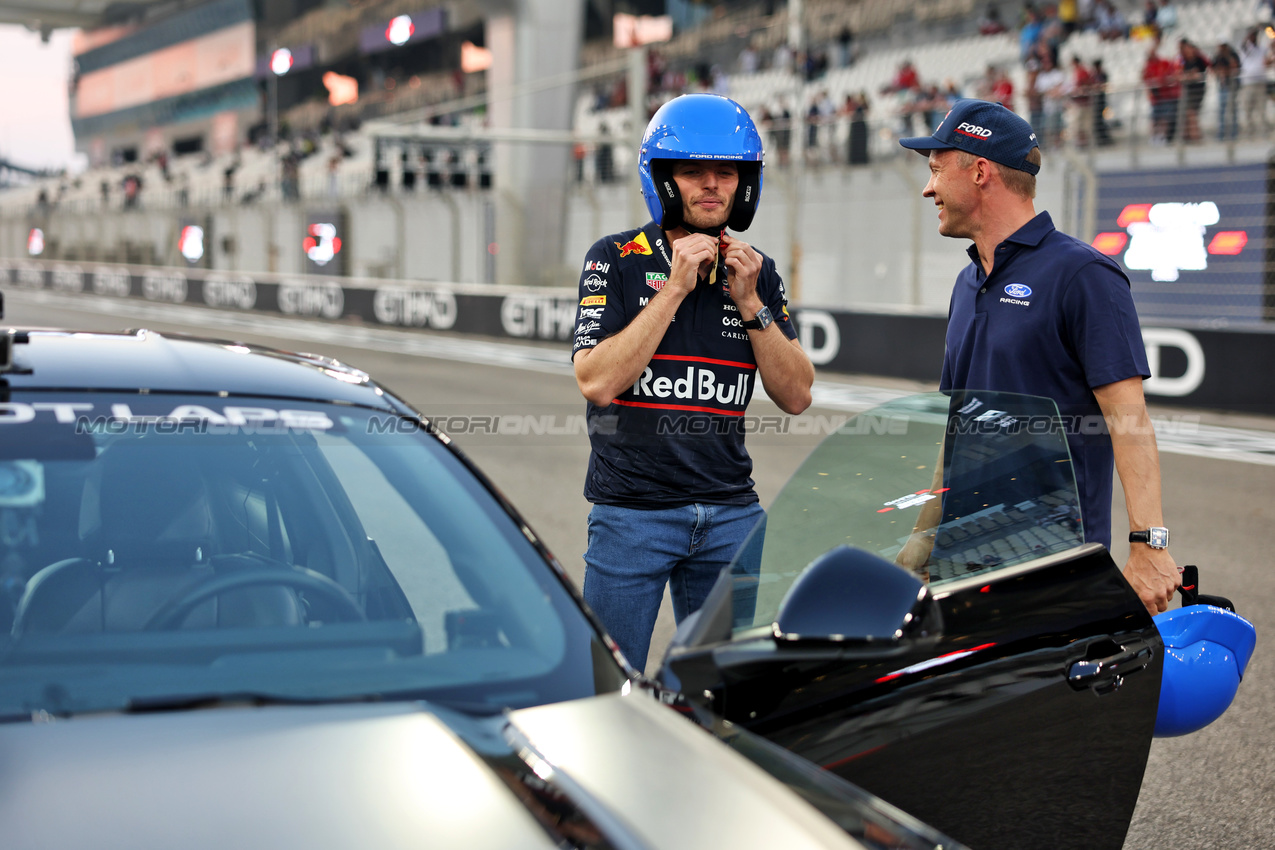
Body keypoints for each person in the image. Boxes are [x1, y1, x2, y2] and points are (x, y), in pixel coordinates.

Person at [894, 99, 1181, 616]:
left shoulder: (1083, 275)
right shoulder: (967, 283)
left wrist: (1148, 544)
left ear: (979, 171)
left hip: (1052, 565)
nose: (927, 187)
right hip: (962, 562)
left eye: (936, 170)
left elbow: (1129, 420)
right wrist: (923, 536)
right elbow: (958, 426)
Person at [570, 94, 814, 670]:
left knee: (735, 696)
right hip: (632, 515)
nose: (711, 185)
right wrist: (674, 287)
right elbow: (597, 381)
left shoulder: (757, 271)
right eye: (693, 171)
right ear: (663, 179)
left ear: (743, 182)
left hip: (732, 513)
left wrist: (751, 300)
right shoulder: (616, 257)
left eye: (726, 172)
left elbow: (798, 395)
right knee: (609, 686)